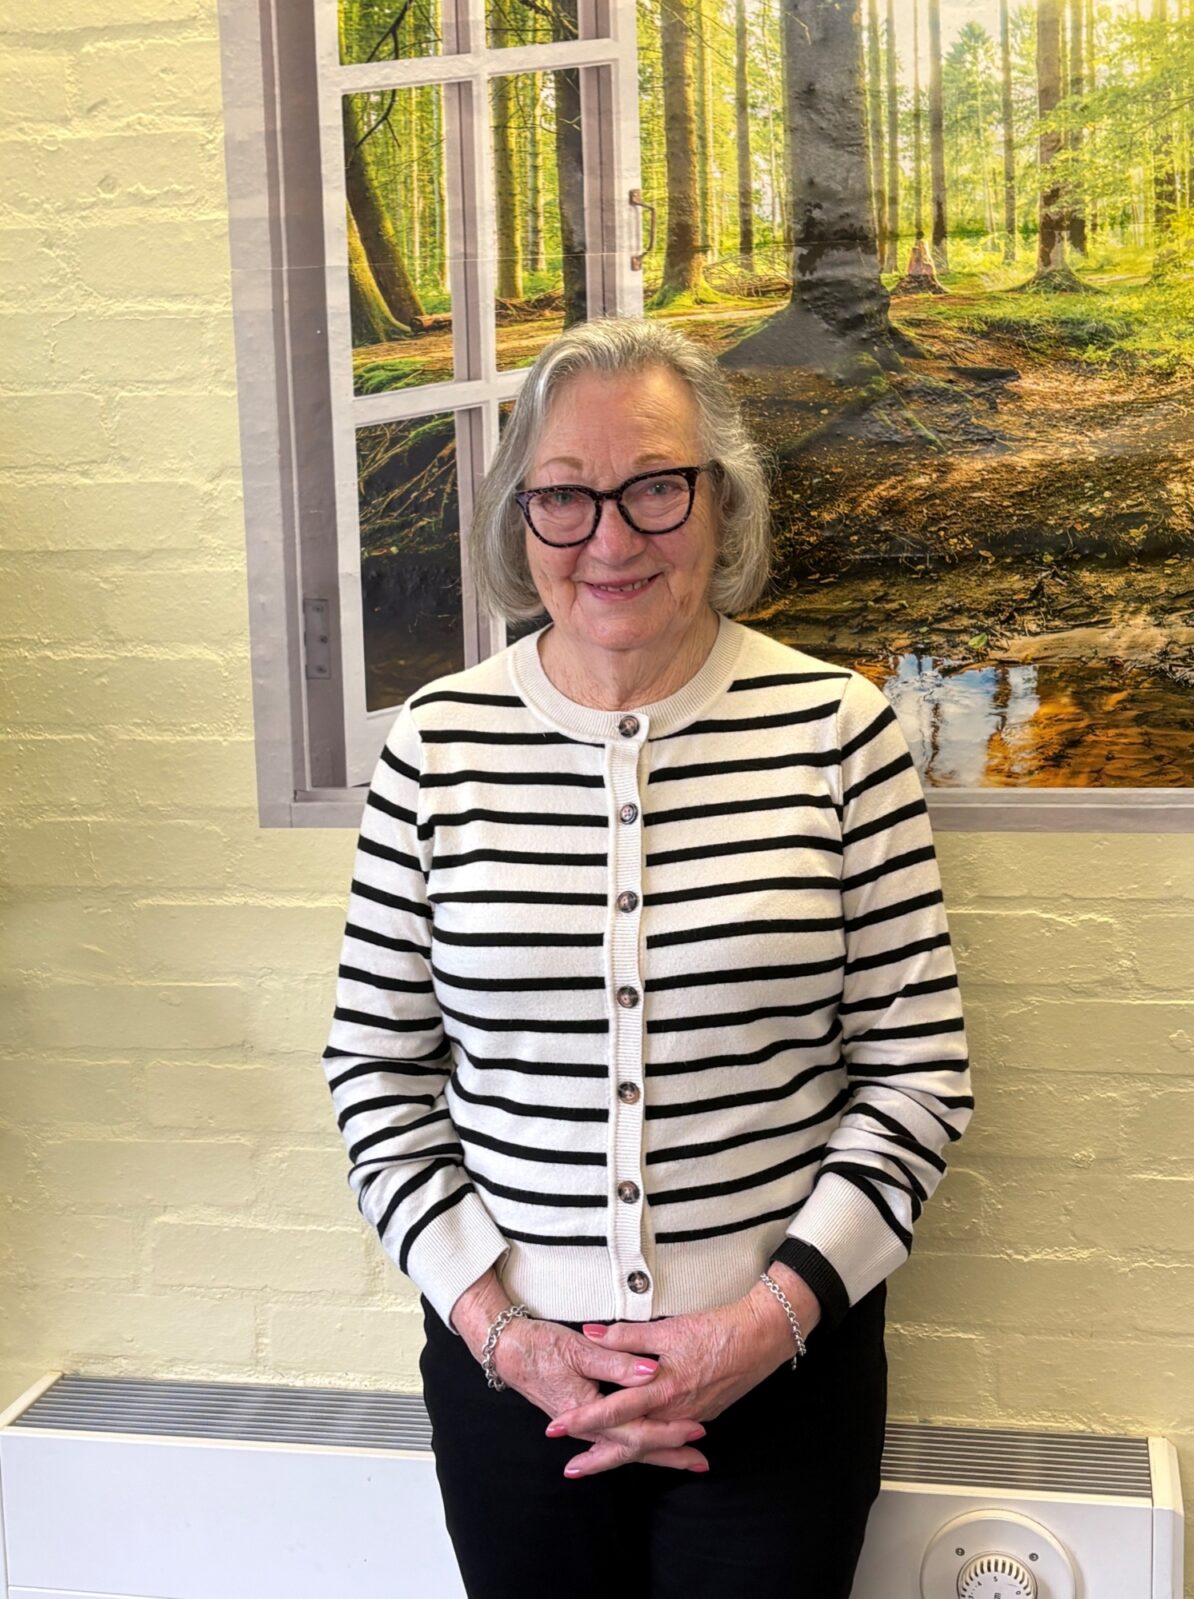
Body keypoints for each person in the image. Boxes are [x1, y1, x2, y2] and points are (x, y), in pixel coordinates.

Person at [321, 316, 971, 1599]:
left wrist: (757, 1329)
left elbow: (917, 1075)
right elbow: (375, 1074)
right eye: (563, 497)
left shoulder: (835, 730)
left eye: (655, 488)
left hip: (782, 1386)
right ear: (521, 518)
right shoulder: (437, 747)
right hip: (515, 1396)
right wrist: (507, 1338)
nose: (610, 539)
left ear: (720, 502)